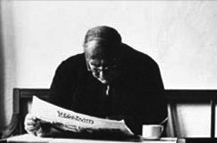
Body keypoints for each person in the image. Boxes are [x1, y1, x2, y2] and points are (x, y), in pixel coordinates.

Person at [24, 26, 167, 136]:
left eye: (110, 66)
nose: (103, 74)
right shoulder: (69, 68)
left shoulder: (144, 66)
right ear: (86, 57)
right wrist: (36, 124)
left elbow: (158, 117)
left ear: (120, 53)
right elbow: (52, 113)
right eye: (95, 67)